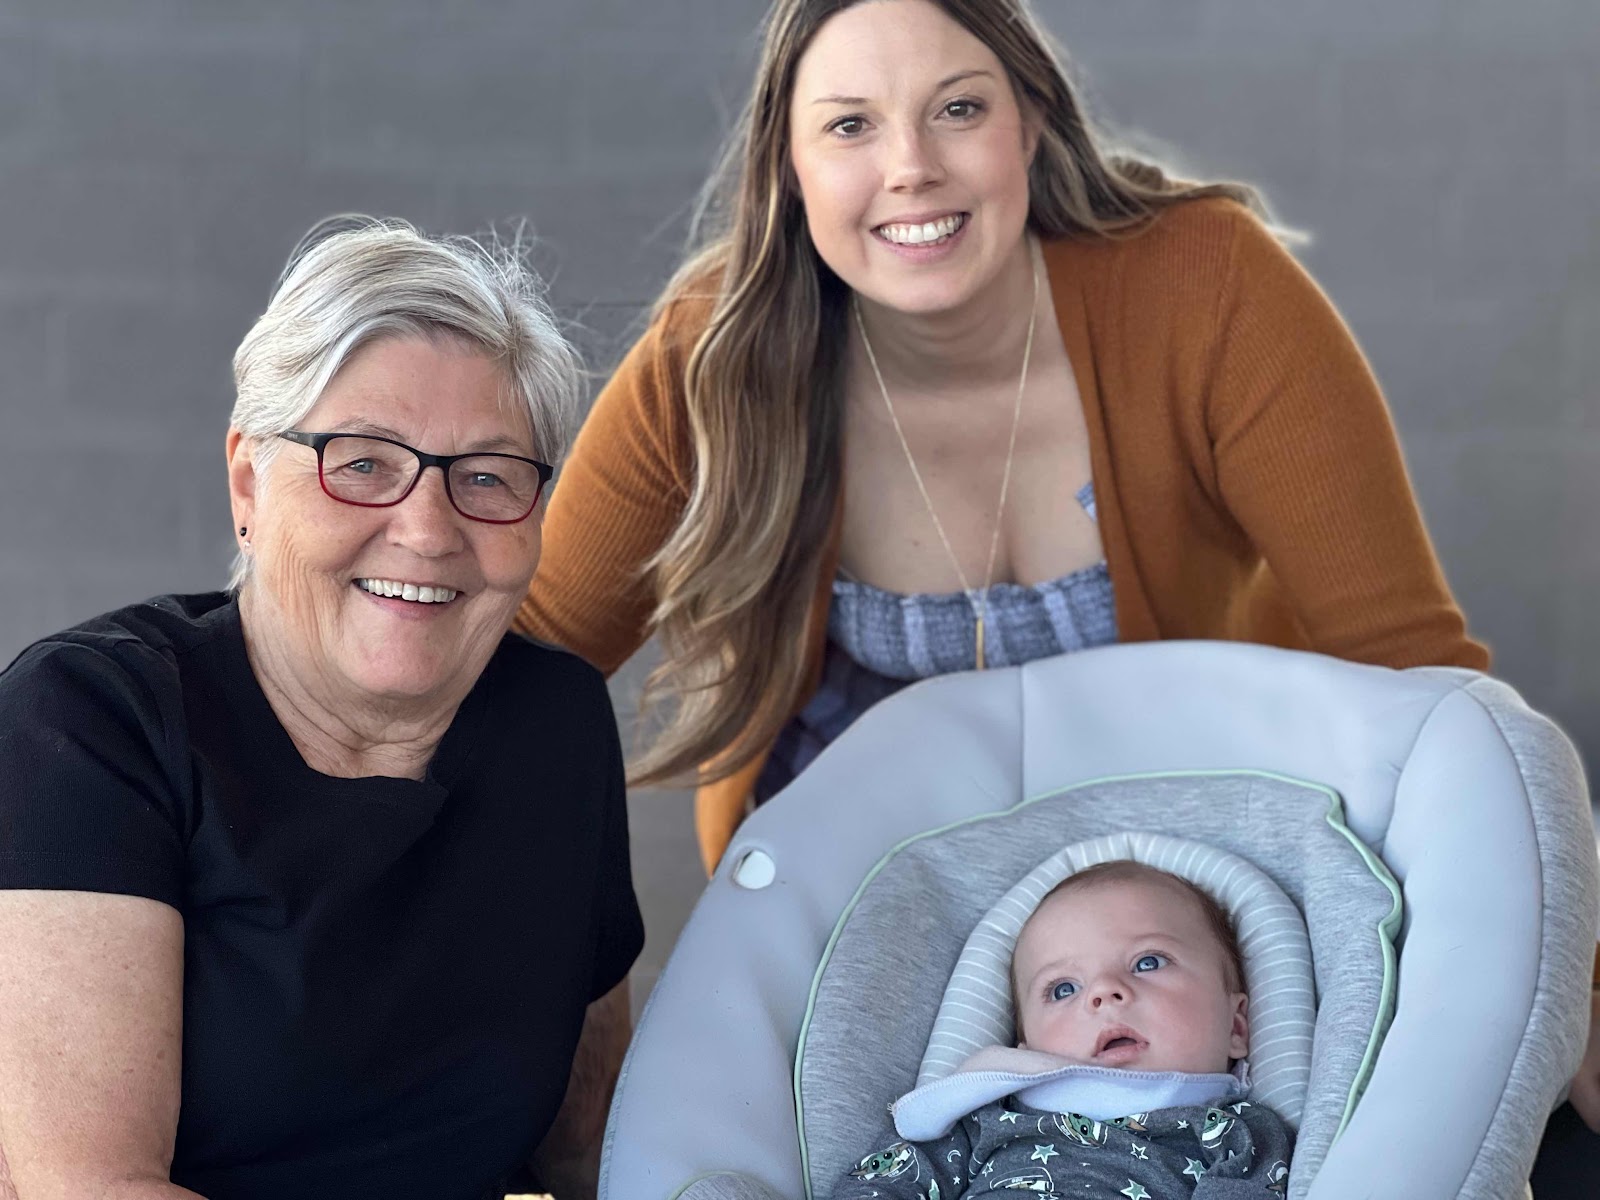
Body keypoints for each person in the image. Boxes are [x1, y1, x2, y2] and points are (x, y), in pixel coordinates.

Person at [512, 0, 1488, 882]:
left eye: (959, 109)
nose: (911, 167)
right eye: (850, 126)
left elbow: (1415, 676)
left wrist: (1530, 967)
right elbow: (517, 667)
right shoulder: (712, 355)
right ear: (791, 169)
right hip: (855, 903)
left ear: (1030, 121)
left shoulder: (1208, 285)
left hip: (1196, 888)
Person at [0, 219, 643, 1200]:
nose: (427, 531)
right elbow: (87, 1188)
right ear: (248, 484)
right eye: (363, 462)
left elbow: (591, 1148)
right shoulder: (88, 723)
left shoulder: (557, 724)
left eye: (485, 476)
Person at [832, 861, 1293, 1198]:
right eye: (1063, 988)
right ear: (1027, 1046)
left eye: (1148, 962)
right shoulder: (983, 1114)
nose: (1105, 991)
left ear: (1236, 1026)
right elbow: (883, 1184)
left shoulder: (1240, 1134)